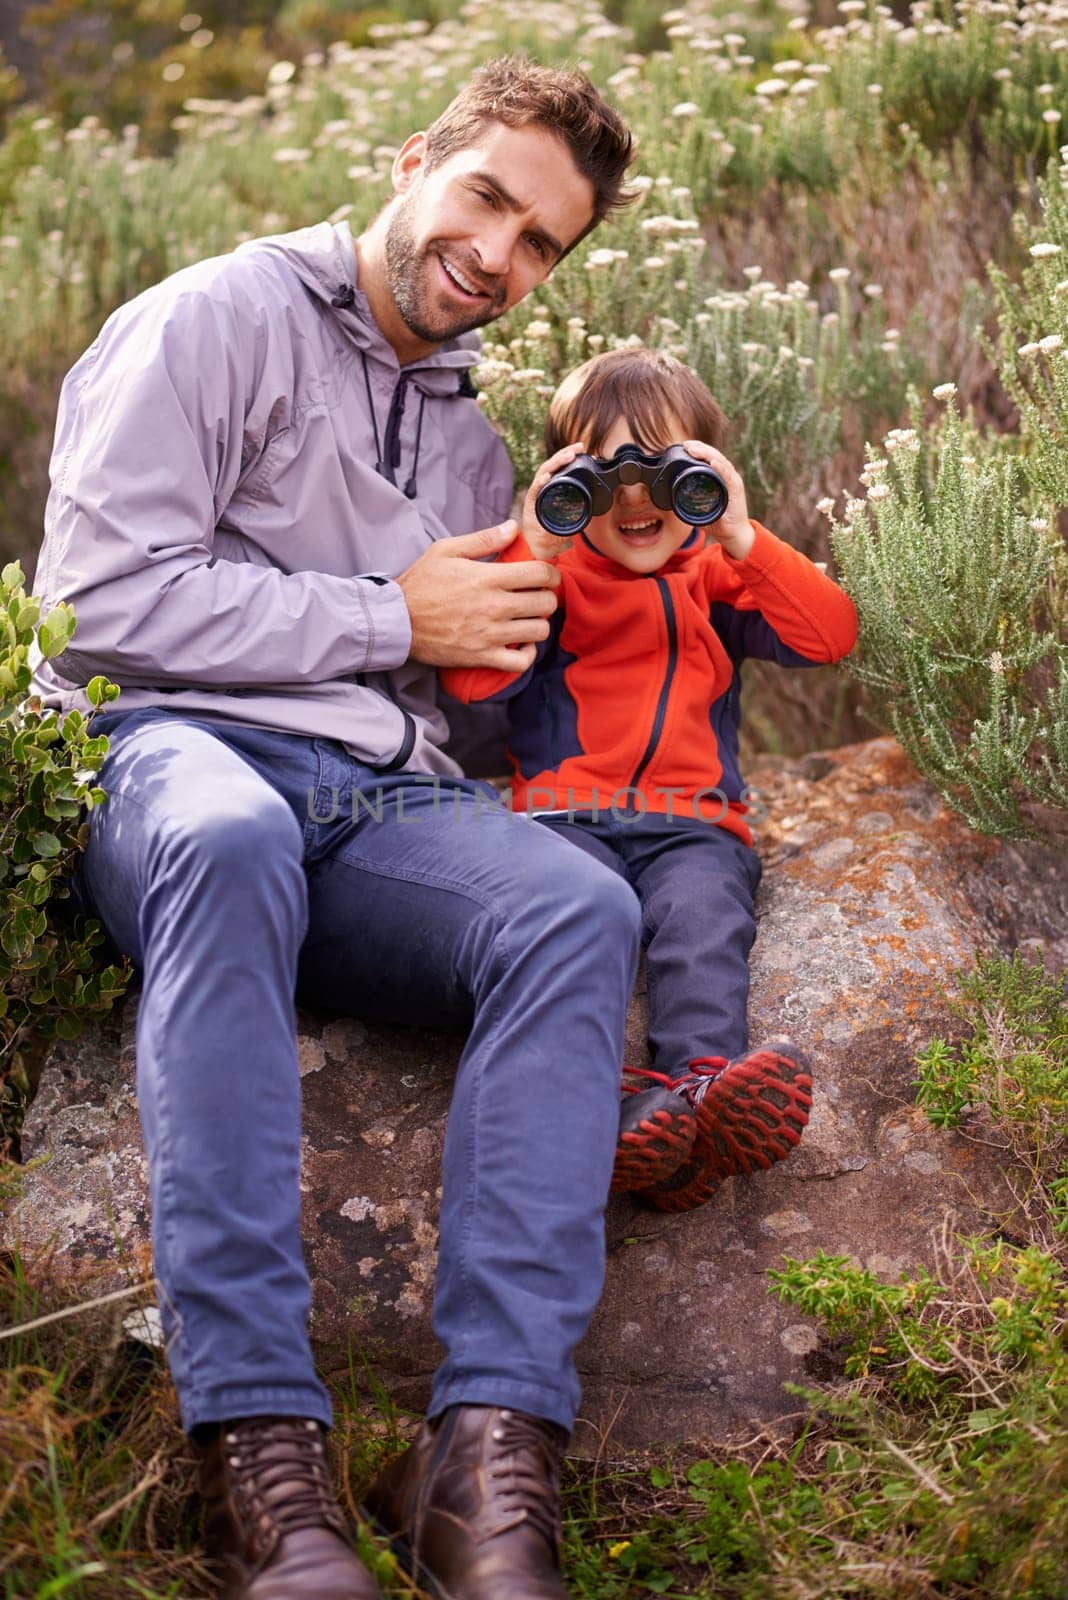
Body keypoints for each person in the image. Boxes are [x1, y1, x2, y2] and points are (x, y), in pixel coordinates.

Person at [29, 59, 643, 1600]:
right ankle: (260, 1456)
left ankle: (486, 1456)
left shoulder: (476, 447)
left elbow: (448, 713)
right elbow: (91, 609)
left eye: (542, 242)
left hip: (372, 798)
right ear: (416, 158)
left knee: (575, 911)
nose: (498, 256)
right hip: (166, 754)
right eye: (489, 197)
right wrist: (387, 611)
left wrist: (566, 626)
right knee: (229, 836)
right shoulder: (211, 317)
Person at [440, 346, 859, 1210]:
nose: (636, 498)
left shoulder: (718, 578)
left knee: (702, 924)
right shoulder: (550, 586)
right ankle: (628, 1112)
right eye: (602, 476)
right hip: (564, 823)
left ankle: (703, 1092)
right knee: (571, 935)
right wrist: (537, 547)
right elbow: (472, 682)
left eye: (665, 472)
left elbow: (830, 636)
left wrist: (741, 533)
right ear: (564, 481)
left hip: (693, 824)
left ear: (705, 477)